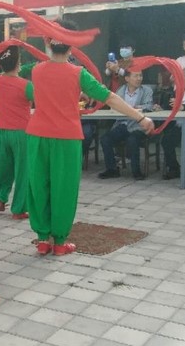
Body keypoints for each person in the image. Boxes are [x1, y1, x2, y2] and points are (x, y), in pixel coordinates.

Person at [25, 20, 155, 256]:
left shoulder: (36, 70)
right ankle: (60, 242)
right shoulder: (78, 74)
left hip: (38, 137)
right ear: (73, 45)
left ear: (47, 42)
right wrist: (140, 117)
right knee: (64, 189)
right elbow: (110, 98)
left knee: (39, 186)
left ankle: (43, 239)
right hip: (66, 139)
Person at [0, 47, 30, 219]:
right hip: (20, 132)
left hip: (0, 131)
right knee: (23, 171)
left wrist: (33, 65)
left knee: (4, 168)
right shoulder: (26, 86)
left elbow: (14, 70)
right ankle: (19, 208)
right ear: (18, 62)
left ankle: (0, 198)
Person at [98, 70, 155, 180]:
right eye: (136, 76)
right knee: (105, 139)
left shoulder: (147, 90)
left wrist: (132, 109)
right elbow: (114, 106)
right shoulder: (121, 90)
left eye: (140, 76)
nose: (139, 78)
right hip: (122, 124)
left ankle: (136, 172)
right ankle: (112, 169)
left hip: (138, 125)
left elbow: (149, 106)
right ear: (127, 78)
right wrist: (132, 108)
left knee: (132, 140)